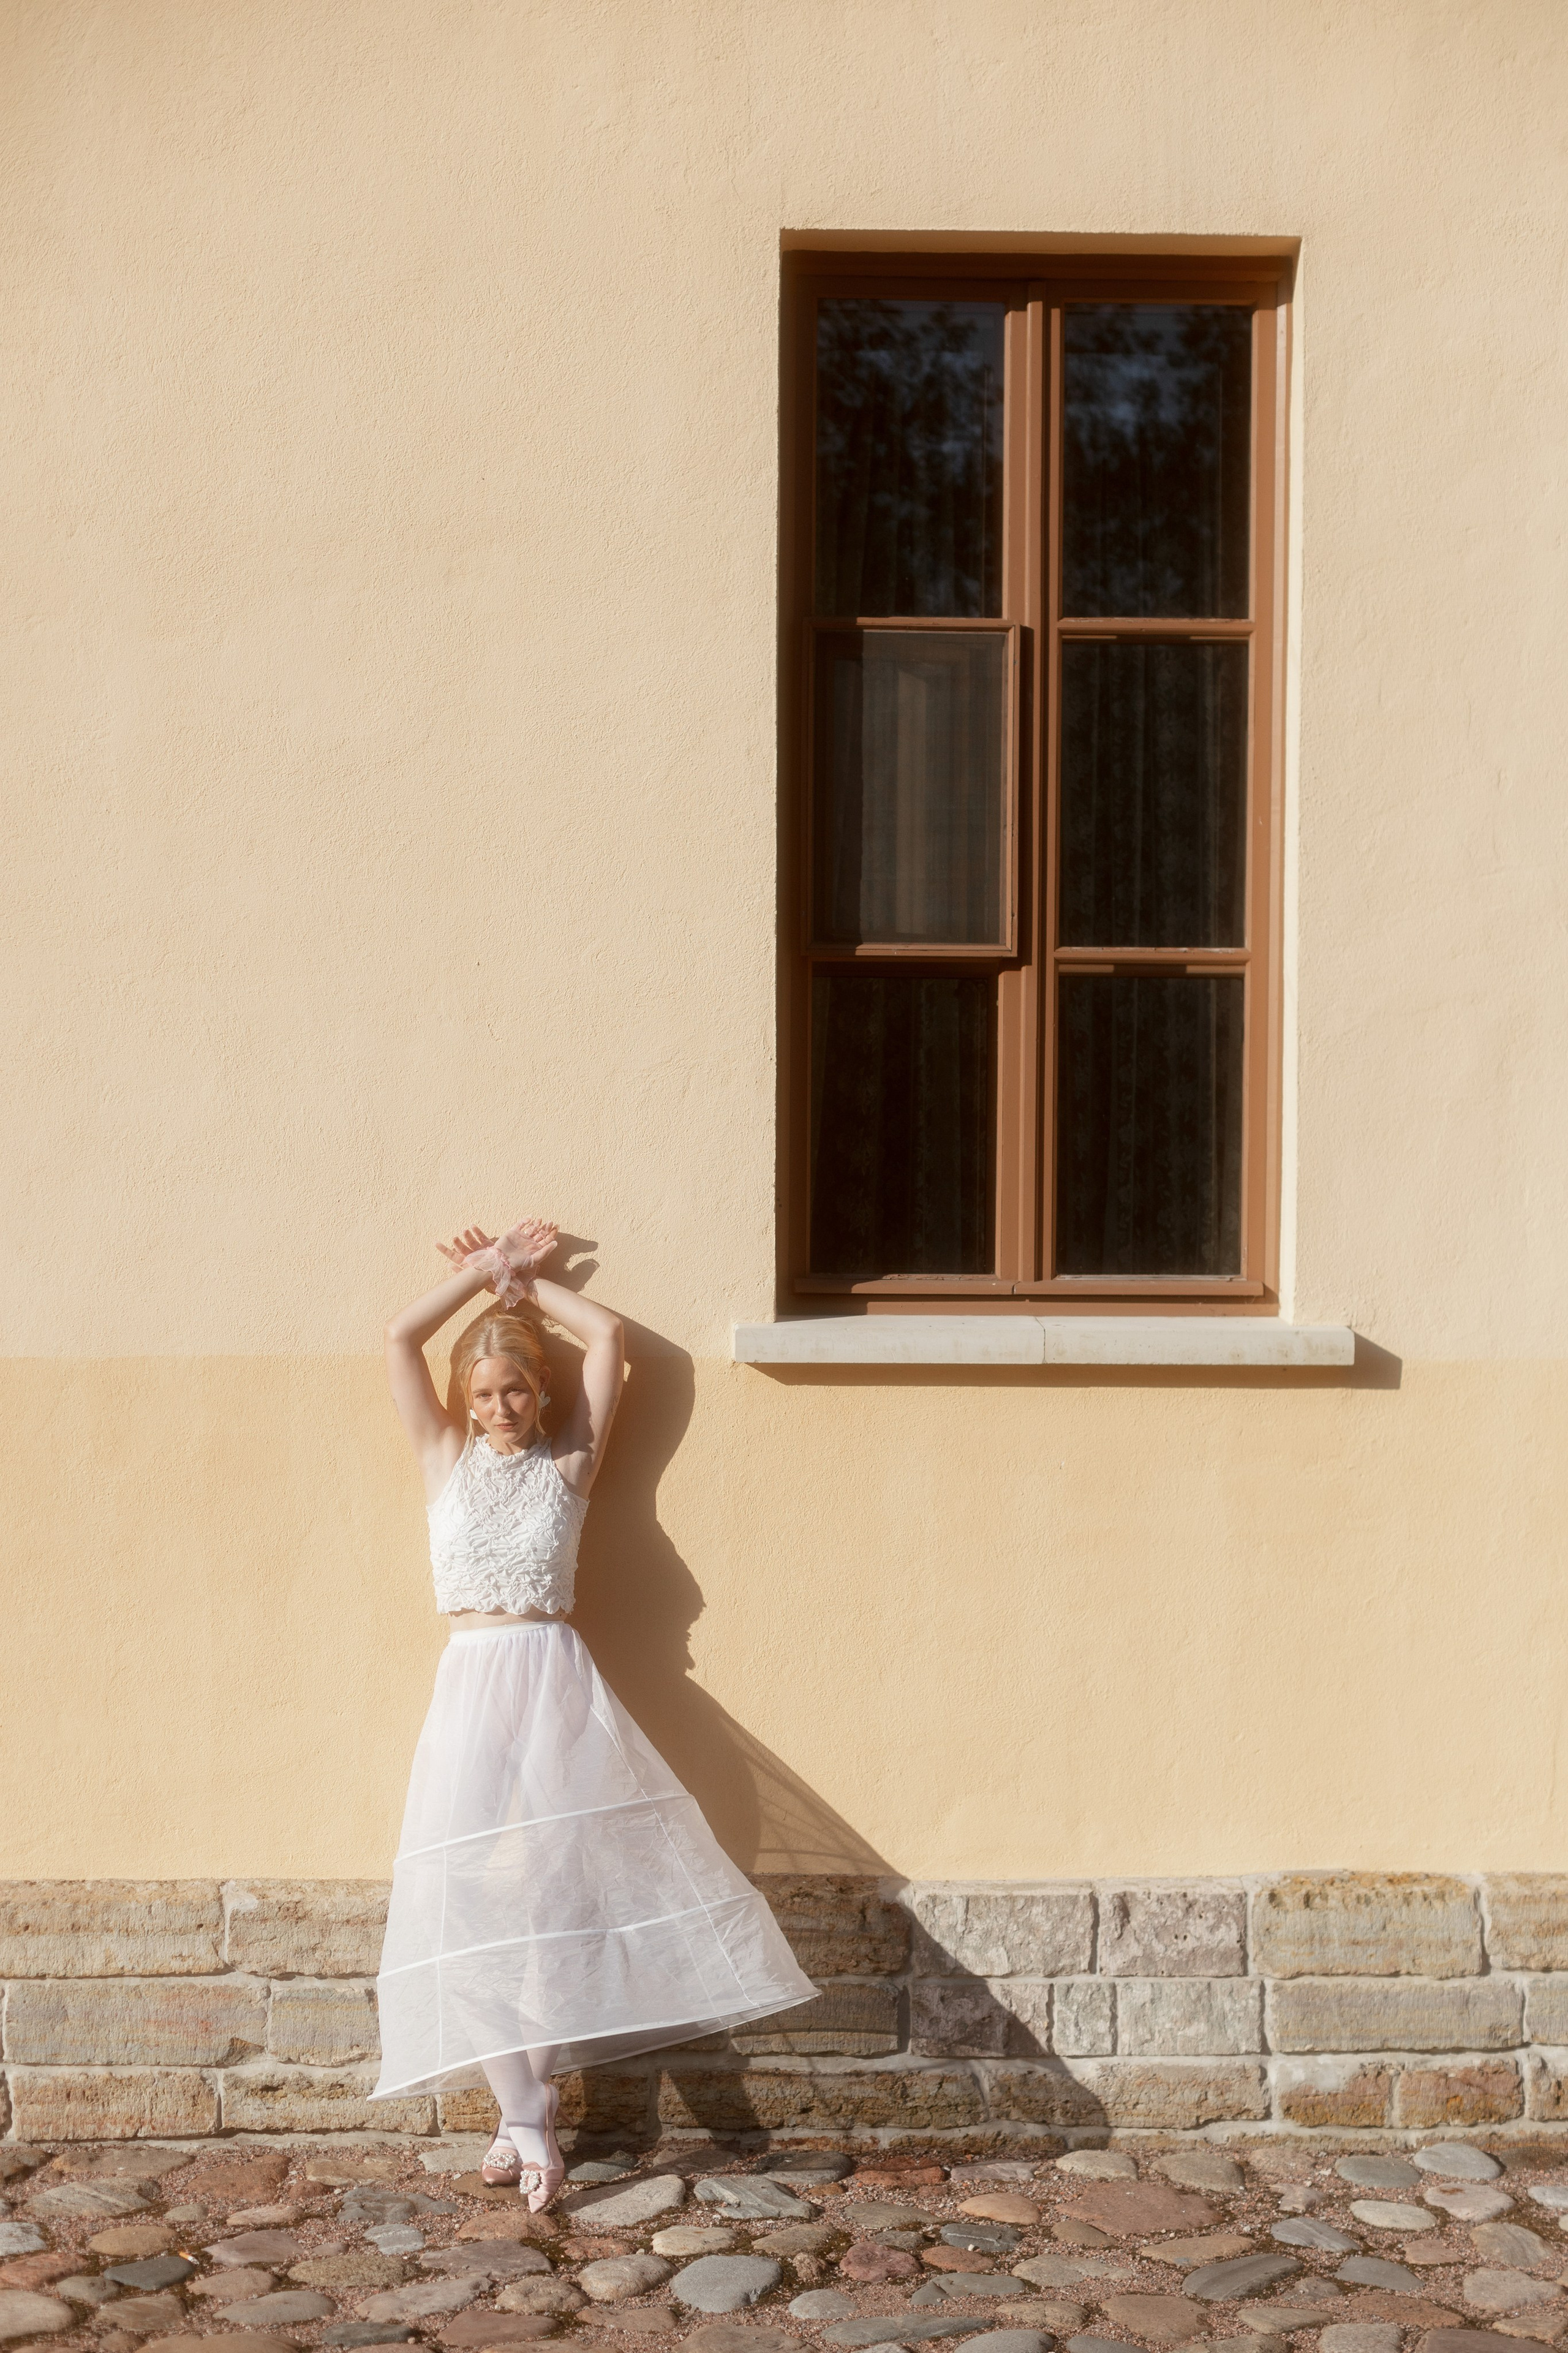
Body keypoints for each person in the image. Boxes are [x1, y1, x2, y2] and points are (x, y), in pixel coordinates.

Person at [371, 1217, 815, 2208]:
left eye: (515, 1387)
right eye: (484, 1391)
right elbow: (400, 1341)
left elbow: (610, 1342)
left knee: (556, 1901)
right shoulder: (444, 1456)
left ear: (540, 1390)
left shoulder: (569, 1462)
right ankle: (525, 2114)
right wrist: (481, 1276)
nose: (500, 1405)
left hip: (556, 1684)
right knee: (469, 1901)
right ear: (464, 1397)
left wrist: (526, 1287)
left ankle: (522, 2113)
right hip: (472, 1687)